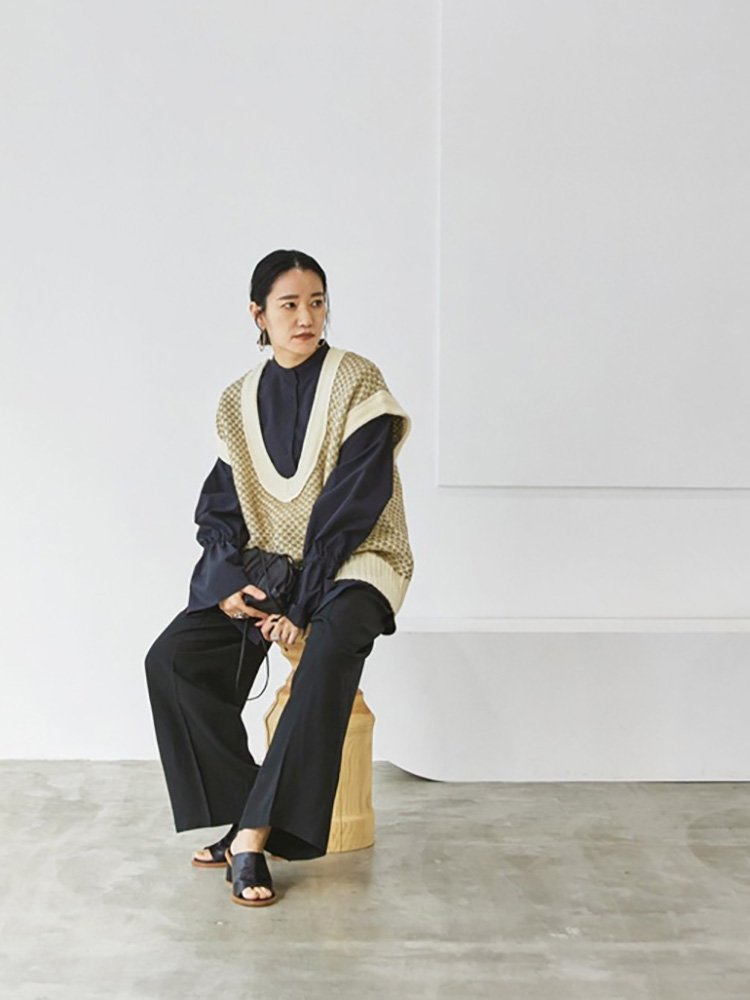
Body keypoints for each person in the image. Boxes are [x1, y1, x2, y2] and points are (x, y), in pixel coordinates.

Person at [145, 249, 413, 907]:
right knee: (174, 661)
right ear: (258, 314)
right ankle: (246, 812)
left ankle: (253, 838)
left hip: (357, 559)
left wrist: (301, 605)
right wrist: (228, 581)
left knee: (330, 644)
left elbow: (351, 508)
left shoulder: (357, 381)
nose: (306, 317)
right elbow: (220, 507)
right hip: (273, 563)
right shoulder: (236, 401)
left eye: (316, 302)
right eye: (289, 304)